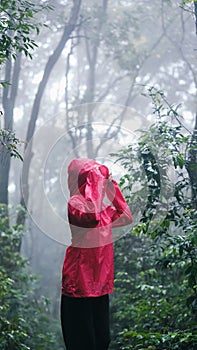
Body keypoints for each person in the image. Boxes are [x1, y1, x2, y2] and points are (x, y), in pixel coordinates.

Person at [61, 158, 133, 350]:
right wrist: (95, 180)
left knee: (102, 342)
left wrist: (111, 186)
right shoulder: (76, 203)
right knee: (82, 343)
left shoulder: (104, 212)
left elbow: (126, 215)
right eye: (92, 177)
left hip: (100, 286)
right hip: (78, 287)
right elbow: (91, 217)